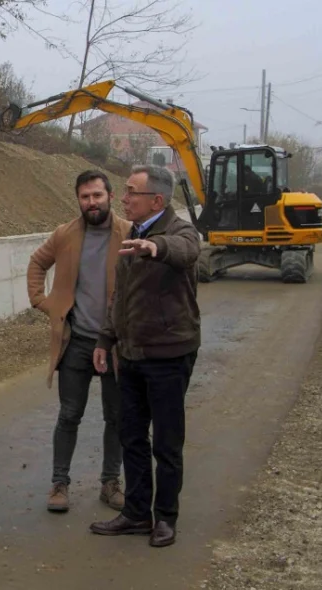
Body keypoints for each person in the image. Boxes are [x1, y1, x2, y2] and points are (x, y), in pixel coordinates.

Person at [88, 165, 201, 549]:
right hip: (131, 355)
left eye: (131, 192)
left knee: (166, 443)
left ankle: (166, 517)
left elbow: (187, 251)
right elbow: (119, 297)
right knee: (132, 436)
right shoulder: (132, 234)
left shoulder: (178, 230)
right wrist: (106, 339)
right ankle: (137, 514)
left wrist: (157, 248)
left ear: (156, 199)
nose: (123, 198)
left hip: (168, 355)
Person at [27, 170, 132, 514]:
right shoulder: (65, 235)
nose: (92, 202)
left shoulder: (129, 234)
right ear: (78, 199)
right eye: (85, 197)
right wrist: (42, 301)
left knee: (116, 417)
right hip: (77, 342)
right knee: (69, 415)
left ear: (111, 197)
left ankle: (110, 483)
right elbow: (37, 262)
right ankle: (60, 484)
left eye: (97, 195)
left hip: (116, 344)